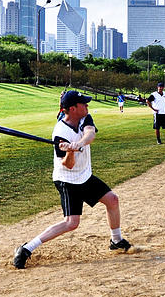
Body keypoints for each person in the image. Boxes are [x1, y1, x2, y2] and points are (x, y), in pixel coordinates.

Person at [13, 90, 130, 269]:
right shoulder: (60, 133)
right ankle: (27, 249)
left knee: (112, 200)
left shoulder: (85, 117)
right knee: (71, 223)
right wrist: (70, 151)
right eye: (83, 103)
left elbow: (90, 134)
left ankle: (116, 240)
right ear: (73, 108)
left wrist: (79, 144)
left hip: (84, 175)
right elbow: (67, 165)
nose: (87, 106)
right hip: (67, 180)